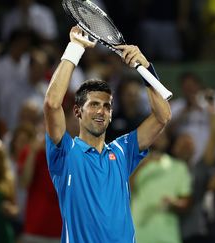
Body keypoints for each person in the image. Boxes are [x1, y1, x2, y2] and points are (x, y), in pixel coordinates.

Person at [43, 26, 171, 242]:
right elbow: (52, 103)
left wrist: (145, 67)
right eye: (93, 105)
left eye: (107, 106)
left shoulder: (122, 151)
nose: (101, 111)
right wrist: (74, 48)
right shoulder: (65, 152)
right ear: (77, 112)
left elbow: (162, 116)